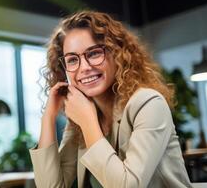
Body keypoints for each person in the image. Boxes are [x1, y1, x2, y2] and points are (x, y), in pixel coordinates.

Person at [29, 10, 192, 188]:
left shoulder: (149, 104)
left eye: (93, 53)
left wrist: (88, 121)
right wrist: (48, 117)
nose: (84, 67)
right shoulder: (80, 120)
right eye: (72, 60)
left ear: (117, 54)